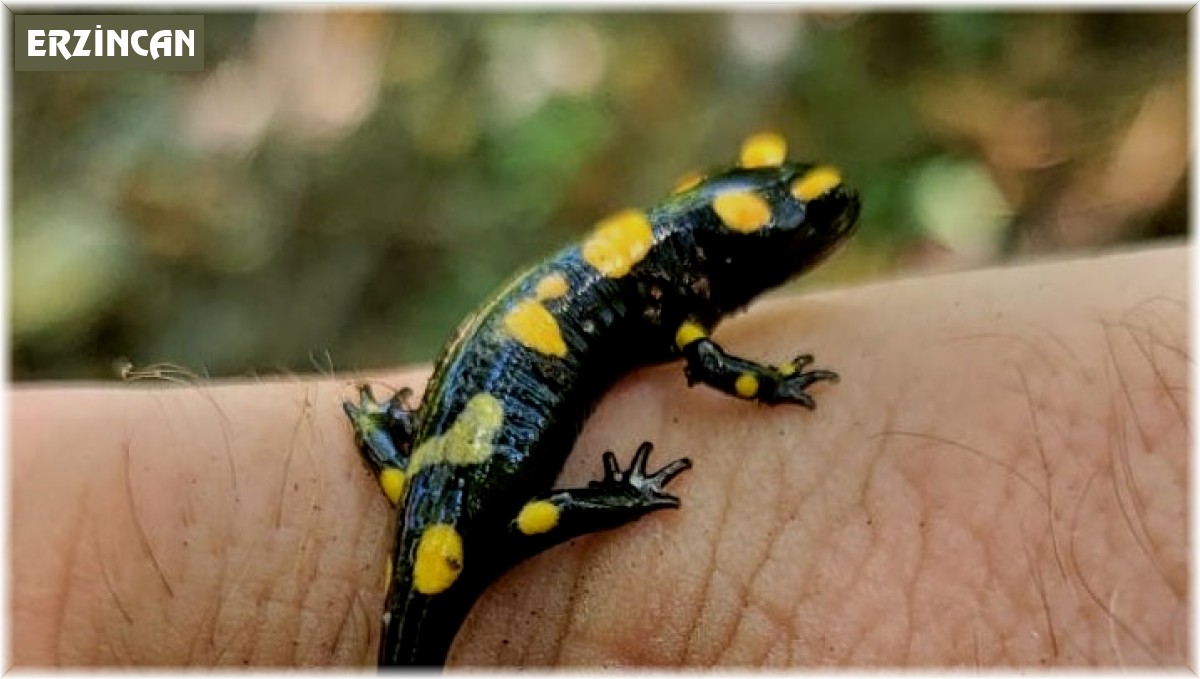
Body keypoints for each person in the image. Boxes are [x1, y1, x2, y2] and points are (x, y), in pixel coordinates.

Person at [12, 244, 1186, 667]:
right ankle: (597, 492)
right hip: (466, 511)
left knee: (428, 485)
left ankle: (399, 442)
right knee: (521, 518)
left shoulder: (655, 270)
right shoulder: (674, 302)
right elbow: (692, 373)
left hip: (430, 482)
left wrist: (390, 433)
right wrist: (613, 497)